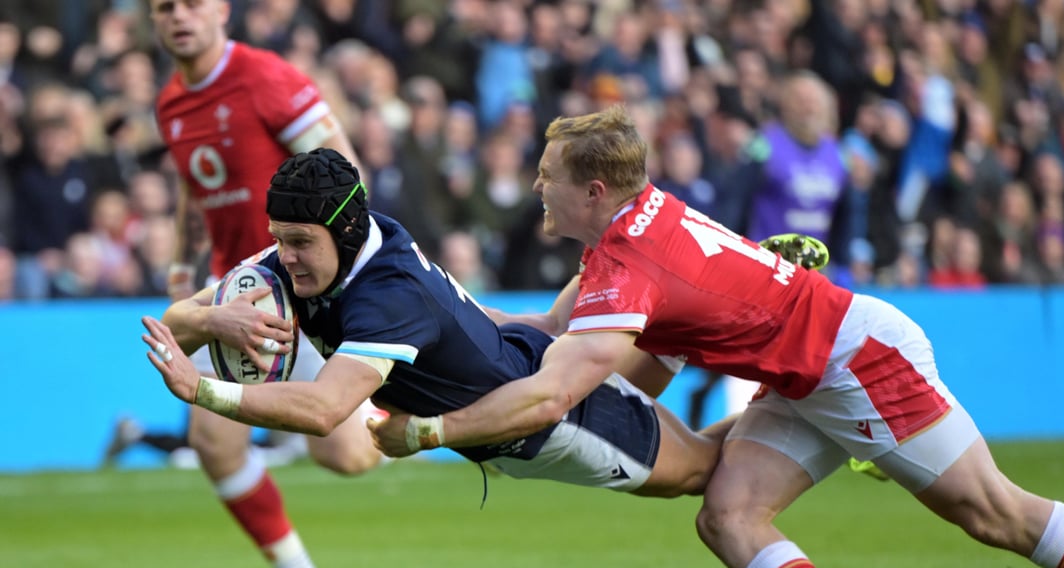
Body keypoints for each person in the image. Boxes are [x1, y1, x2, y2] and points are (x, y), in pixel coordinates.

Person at [367, 105, 1064, 568]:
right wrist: (451, 321)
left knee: (993, 512)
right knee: (728, 514)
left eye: (547, 179)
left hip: (858, 361)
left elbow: (564, 387)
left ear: (594, 189)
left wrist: (434, 431)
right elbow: (557, 334)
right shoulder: (627, 237)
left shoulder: (629, 265)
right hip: (804, 376)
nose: (535, 193)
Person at [142, 148, 724, 512]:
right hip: (523, 367)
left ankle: (782, 389)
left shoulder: (388, 292)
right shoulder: (306, 256)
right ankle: (686, 324)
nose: (285, 257)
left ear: (344, 234)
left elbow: (324, 410)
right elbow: (178, 321)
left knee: (701, 474)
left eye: (300, 243)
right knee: (675, 425)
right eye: (279, 237)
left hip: (539, 420)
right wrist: (214, 316)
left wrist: (200, 390)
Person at [150, 0, 382, 568]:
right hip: (231, 292)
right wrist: (181, 271)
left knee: (346, 455)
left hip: (296, 285)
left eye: (192, 4)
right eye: (164, 7)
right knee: (212, 439)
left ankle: (392, 401)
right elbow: (193, 189)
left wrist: (343, 276)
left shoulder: (266, 78)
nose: (179, 17)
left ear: (222, 10)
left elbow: (345, 175)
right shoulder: (170, 101)